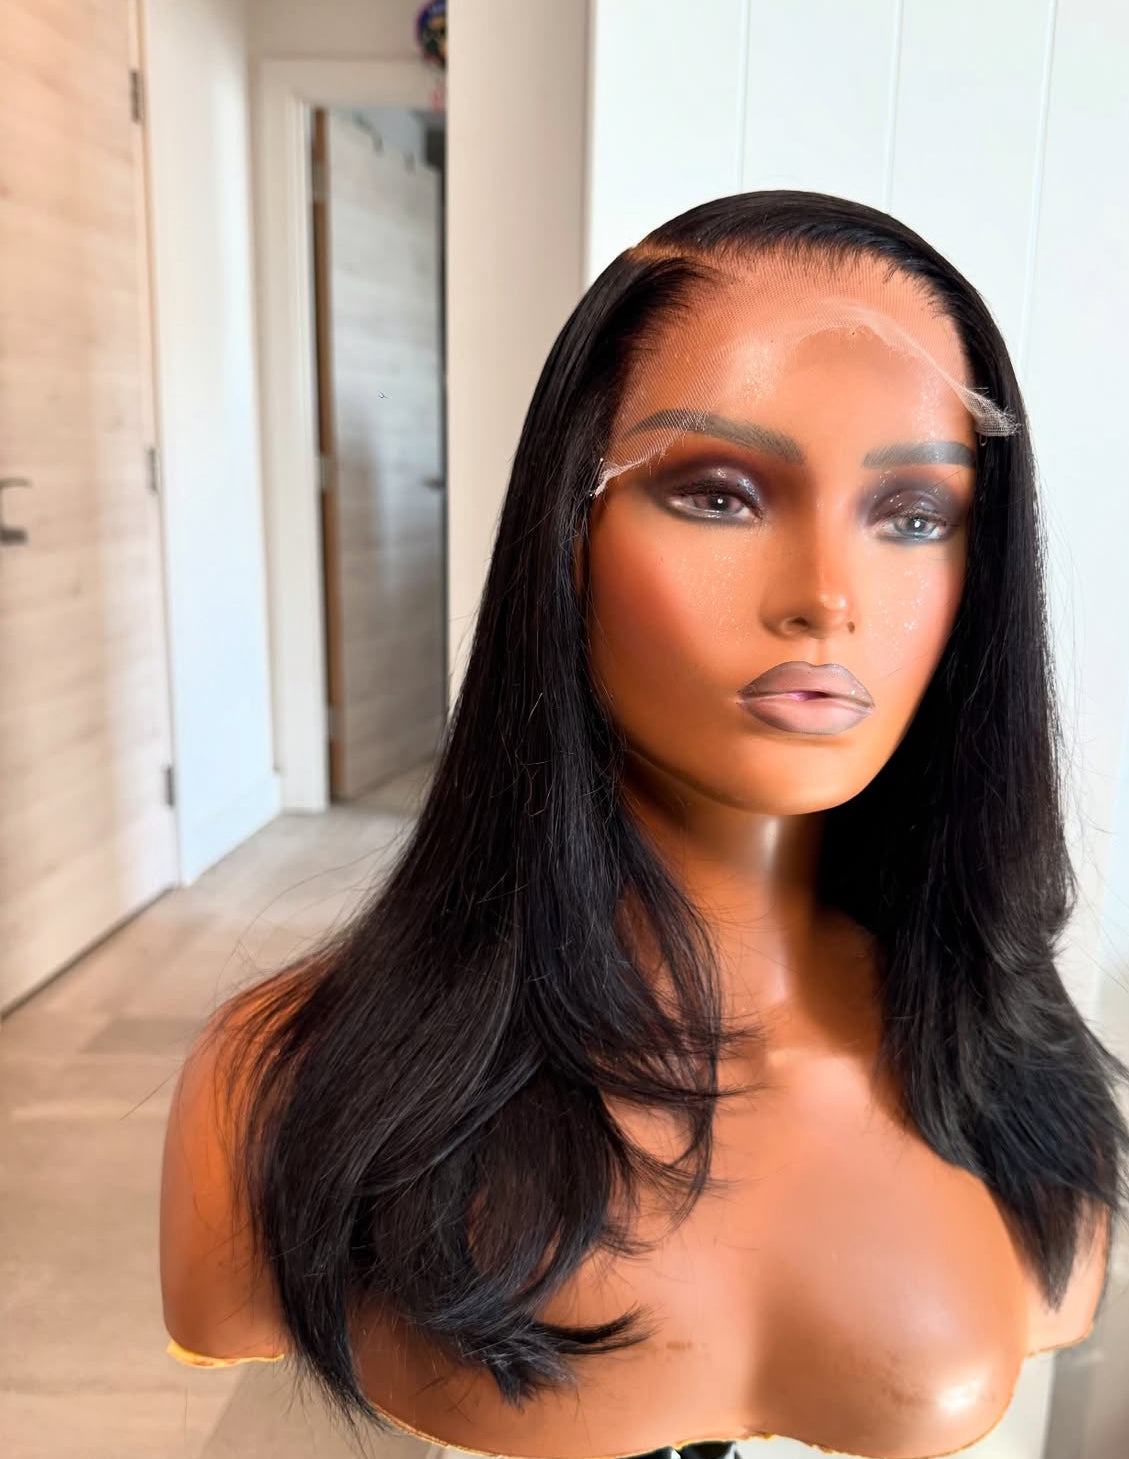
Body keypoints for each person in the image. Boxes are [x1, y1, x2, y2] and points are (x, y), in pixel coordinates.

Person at [159, 191, 1128, 1459]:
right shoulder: (277, 1087)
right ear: (567, 536)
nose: (827, 599)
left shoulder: (1018, 1085)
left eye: (912, 516)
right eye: (719, 494)